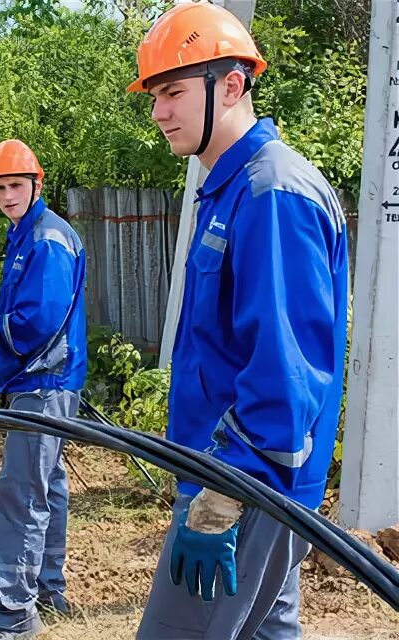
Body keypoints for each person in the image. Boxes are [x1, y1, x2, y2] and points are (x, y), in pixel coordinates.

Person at [127, 3, 349, 638]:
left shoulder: (270, 192)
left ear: (230, 84)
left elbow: (285, 373)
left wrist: (222, 501)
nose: (159, 112)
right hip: (244, 481)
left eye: (172, 91)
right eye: (153, 96)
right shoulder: (230, 187)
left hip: (243, 487)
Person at [0, 139, 87, 640]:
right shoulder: (27, 234)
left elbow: (38, 322)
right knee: (46, 486)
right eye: (0, 187)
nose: (7, 195)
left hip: (43, 382)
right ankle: (48, 591)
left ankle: (15, 615)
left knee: (21, 495)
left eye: (15, 185)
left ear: (37, 184)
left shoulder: (47, 239)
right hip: (46, 381)